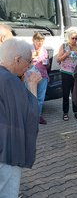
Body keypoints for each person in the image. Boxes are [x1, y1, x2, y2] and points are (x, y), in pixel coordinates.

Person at [0, 39, 41, 197]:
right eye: (29, 62)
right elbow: (29, 117)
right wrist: (32, 86)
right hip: (7, 151)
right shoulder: (10, 81)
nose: (29, 66)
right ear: (17, 59)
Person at [57, 30, 77, 121]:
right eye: (73, 38)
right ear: (69, 38)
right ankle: (65, 112)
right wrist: (66, 54)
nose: (74, 40)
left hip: (76, 73)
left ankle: (76, 111)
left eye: (76, 38)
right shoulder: (64, 46)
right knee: (66, 93)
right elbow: (58, 59)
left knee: (76, 93)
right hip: (65, 73)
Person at [25, 32, 49, 124]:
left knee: (40, 98)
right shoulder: (28, 49)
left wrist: (46, 63)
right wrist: (32, 58)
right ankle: (29, 116)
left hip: (43, 76)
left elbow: (47, 65)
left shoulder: (44, 50)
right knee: (30, 97)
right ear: (33, 40)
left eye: (42, 40)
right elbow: (23, 63)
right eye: (38, 40)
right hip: (30, 77)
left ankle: (37, 116)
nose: (40, 43)